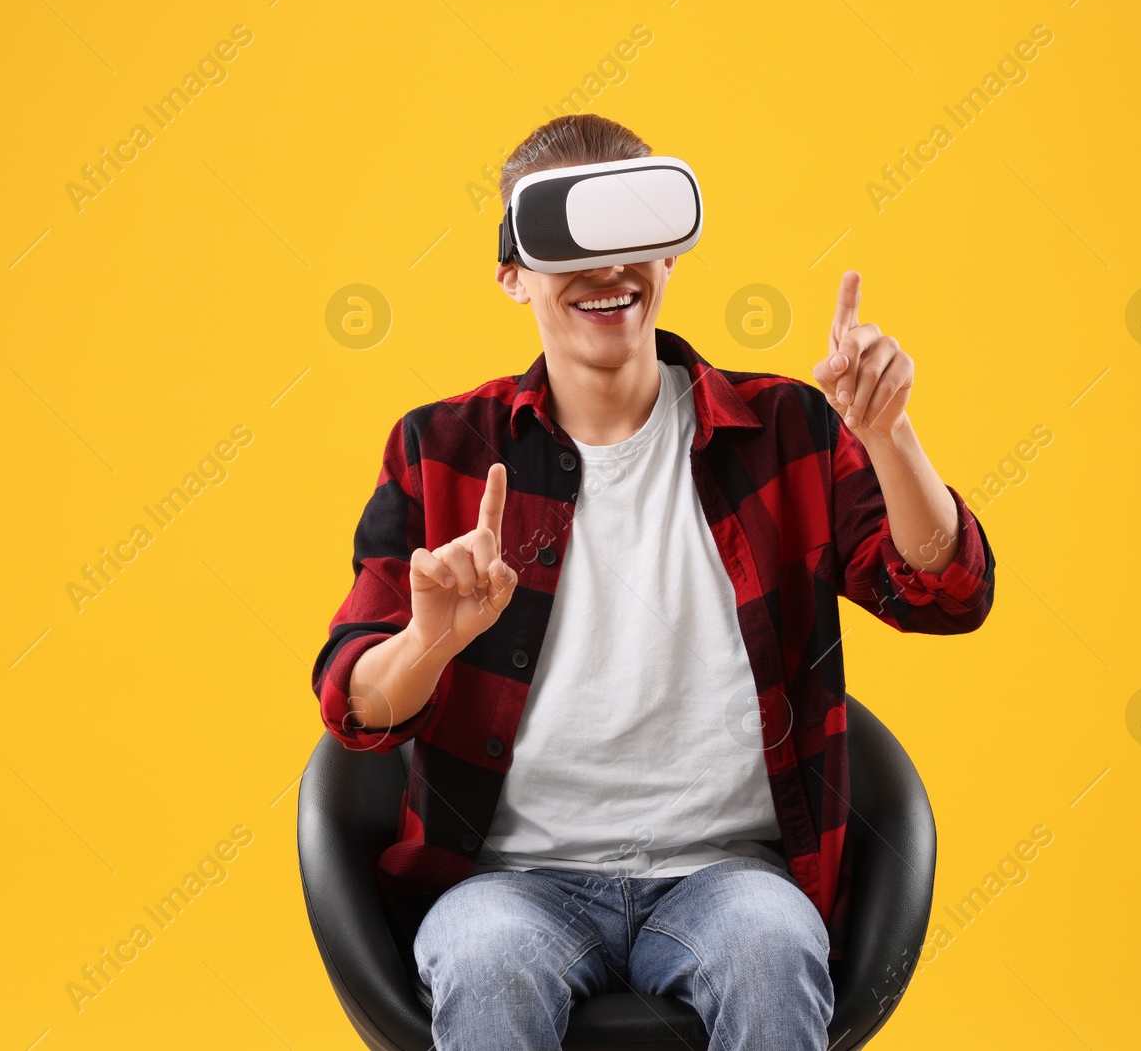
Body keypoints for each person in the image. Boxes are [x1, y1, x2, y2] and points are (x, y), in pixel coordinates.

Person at [311, 113, 996, 1051]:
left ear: (670, 257)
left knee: (770, 951)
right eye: (569, 242)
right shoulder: (442, 448)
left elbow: (946, 593)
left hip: (731, 875)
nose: (610, 270)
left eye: (635, 233)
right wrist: (433, 638)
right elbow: (356, 704)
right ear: (511, 272)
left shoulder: (786, 427)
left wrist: (887, 435)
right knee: (488, 962)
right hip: (510, 881)